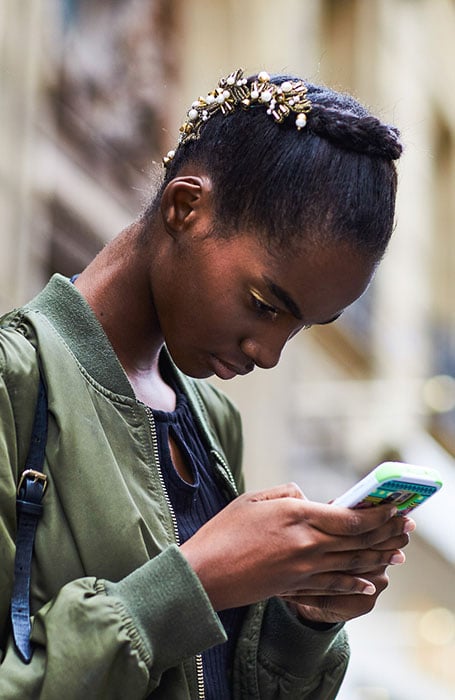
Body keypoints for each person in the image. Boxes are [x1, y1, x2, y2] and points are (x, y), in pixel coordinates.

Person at [0, 68, 413, 699]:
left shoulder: (213, 423)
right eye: (264, 303)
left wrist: (305, 615)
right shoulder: (15, 380)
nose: (269, 352)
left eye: (302, 326)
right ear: (185, 207)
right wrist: (195, 579)